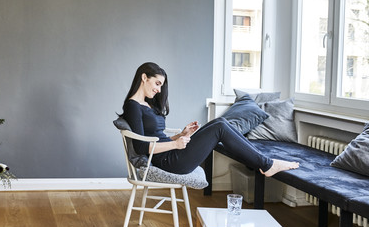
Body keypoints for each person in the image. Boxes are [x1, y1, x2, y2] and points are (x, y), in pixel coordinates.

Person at [120, 62, 299, 176]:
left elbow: (156, 136)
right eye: (157, 83)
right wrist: (175, 145)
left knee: (219, 123)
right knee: (220, 127)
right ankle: (267, 164)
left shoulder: (147, 105)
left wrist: (181, 135)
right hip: (169, 161)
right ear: (144, 78)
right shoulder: (133, 105)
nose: (159, 90)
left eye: (161, 85)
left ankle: (264, 162)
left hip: (171, 152)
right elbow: (141, 146)